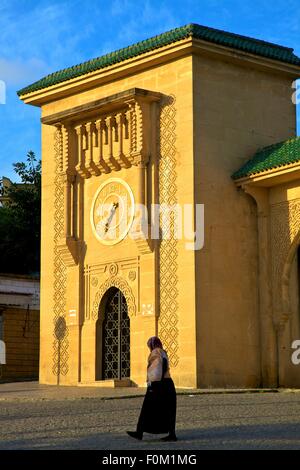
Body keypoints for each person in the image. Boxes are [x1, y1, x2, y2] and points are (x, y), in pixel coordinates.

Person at [127, 336, 177, 441]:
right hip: (168, 383)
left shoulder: (156, 352)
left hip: (158, 384)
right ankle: (172, 434)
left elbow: (157, 367)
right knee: (169, 409)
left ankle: (139, 432)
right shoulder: (163, 351)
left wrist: (153, 384)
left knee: (147, 408)